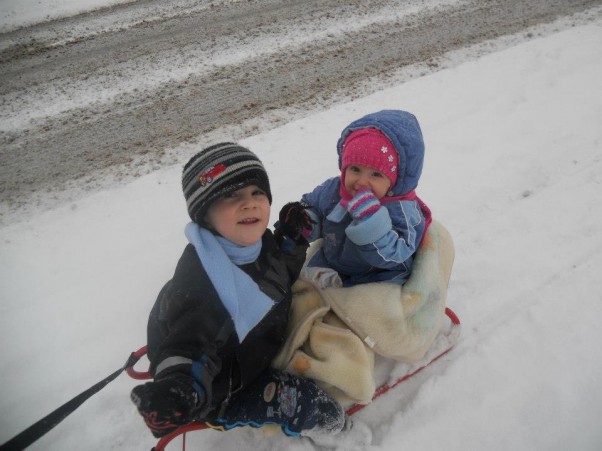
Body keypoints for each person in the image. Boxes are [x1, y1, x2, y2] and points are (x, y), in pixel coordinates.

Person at [130, 143, 359, 443]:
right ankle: (344, 435)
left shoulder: (255, 245)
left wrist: (290, 243)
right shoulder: (206, 286)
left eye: (257, 193)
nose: (249, 204)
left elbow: (276, 275)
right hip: (227, 388)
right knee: (305, 401)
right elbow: (190, 346)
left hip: (256, 341)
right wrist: (179, 388)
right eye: (231, 196)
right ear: (204, 215)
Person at [279, 109, 432, 287]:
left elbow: (396, 254)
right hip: (333, 262)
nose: (361, 182)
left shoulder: (402, 210)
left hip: (380, 274)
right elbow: (314, 207)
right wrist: (304, 222)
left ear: (393, 181)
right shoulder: (333, 189)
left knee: (371, 310)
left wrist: (372, 223)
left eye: (376, 174)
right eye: (355, 169)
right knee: (299, 289)